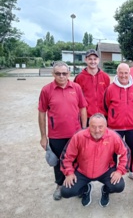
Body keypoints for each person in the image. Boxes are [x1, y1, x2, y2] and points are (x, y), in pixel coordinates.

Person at [38, 61, 87, 201]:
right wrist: (43, 136)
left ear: (69, 74)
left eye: (64, 73)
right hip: (56, 134)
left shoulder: (76, 88)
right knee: (59, 161)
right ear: (53, 74)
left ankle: (77, 185)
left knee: (77, 160)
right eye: (58, 73)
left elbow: (83, 108)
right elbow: (41, 113)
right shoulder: (46, 90)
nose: (61, 76)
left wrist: (83, 129)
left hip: (75, 134)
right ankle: (59, 185)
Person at [60, 113, 130, 207]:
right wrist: (69, 172)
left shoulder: (113, 136)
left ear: (106, 126)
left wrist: (119, 171)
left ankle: (105, 190)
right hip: (82, 171)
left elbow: (126, 153)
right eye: (93, 127)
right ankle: (86, 189)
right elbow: (66, 156)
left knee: (119, 186)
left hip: (105, 170)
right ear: (89, 126)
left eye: (100, 127)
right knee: (66, 191)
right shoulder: (79, 136)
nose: (97, 130)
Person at [104, 63, 133, 182]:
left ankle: (131, 171)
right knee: (113, 150)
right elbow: (106, 105)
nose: (123, 75)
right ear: (117, 73)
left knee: (132, 149)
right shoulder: (110, 88)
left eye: (126, 72)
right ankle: (113, 171)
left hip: (131, 126)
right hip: (115, 127)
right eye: (121, 72)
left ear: (129, 73)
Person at [74, 49, 110, 125]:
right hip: (86, 116)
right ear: (86, 60)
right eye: (90, 59)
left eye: (95, 59)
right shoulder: (79, 78)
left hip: (103, 116)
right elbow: (76, 98)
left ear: (98, 60)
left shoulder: (105, 77)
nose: (93, 61)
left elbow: (108, 97)